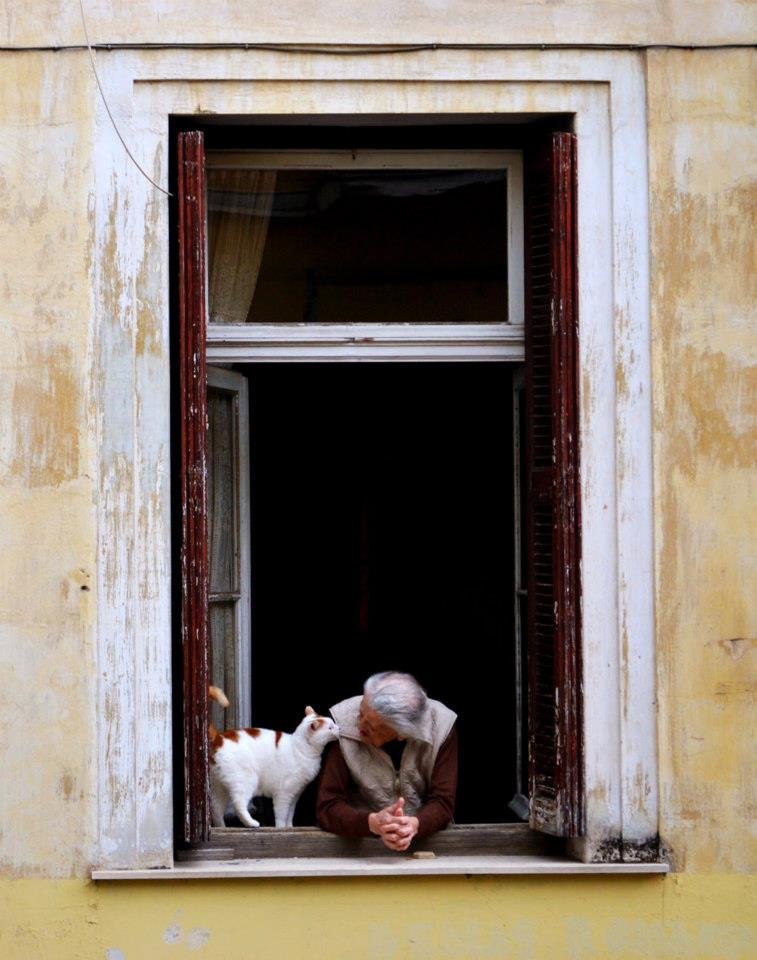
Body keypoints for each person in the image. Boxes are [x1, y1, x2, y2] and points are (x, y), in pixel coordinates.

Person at [316, 671, 458, 851]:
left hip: (427, 847)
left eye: (370, 727)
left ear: (401, 733)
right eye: (361, 713)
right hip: (359, 847)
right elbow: (327, 806)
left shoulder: (442, 727)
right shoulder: (340, 723)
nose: (359, 725)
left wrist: (414, 825)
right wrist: (373, 823)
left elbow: (443, 802)